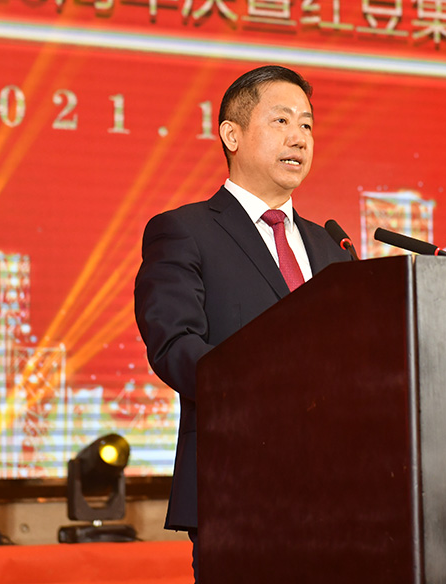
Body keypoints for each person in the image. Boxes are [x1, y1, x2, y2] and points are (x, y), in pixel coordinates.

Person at [134, 65, 352, 577]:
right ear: (231, 135)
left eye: (307, 124)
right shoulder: (183, 232)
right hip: (237, 489)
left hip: (342, 496)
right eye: (281, 120)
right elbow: (175, 345)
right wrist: (270, 395)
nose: (299, 137)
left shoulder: (331, 246)